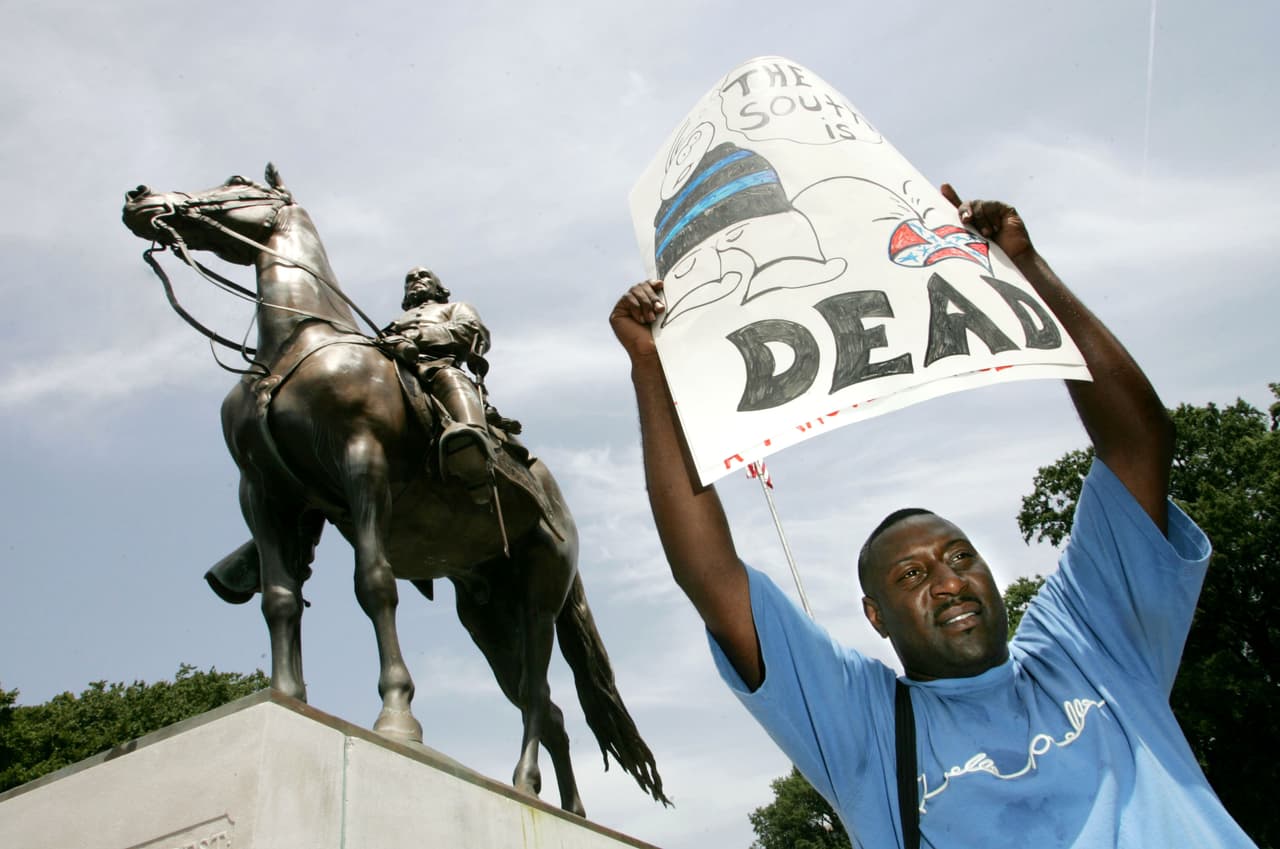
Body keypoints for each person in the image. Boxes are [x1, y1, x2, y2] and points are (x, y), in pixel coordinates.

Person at [608, 185, 1258, 848]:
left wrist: (1024, 268)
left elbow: (1139, 444)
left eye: (959, 557)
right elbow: (711, 575)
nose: (948, 581)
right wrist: (650, 368)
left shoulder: (1089, 645)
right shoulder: (868, 728)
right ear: (874, 617)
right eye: (912, 574)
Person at [384, 266, 496, 503]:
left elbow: (472, 331)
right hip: (394, 367)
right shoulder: (395, 323)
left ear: (438, 287)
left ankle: (474, 451)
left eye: (423, 276)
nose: (416, 280)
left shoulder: (454, 307)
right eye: (410, 279)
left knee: (449, 378)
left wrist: (416, 336)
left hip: (437, 365)